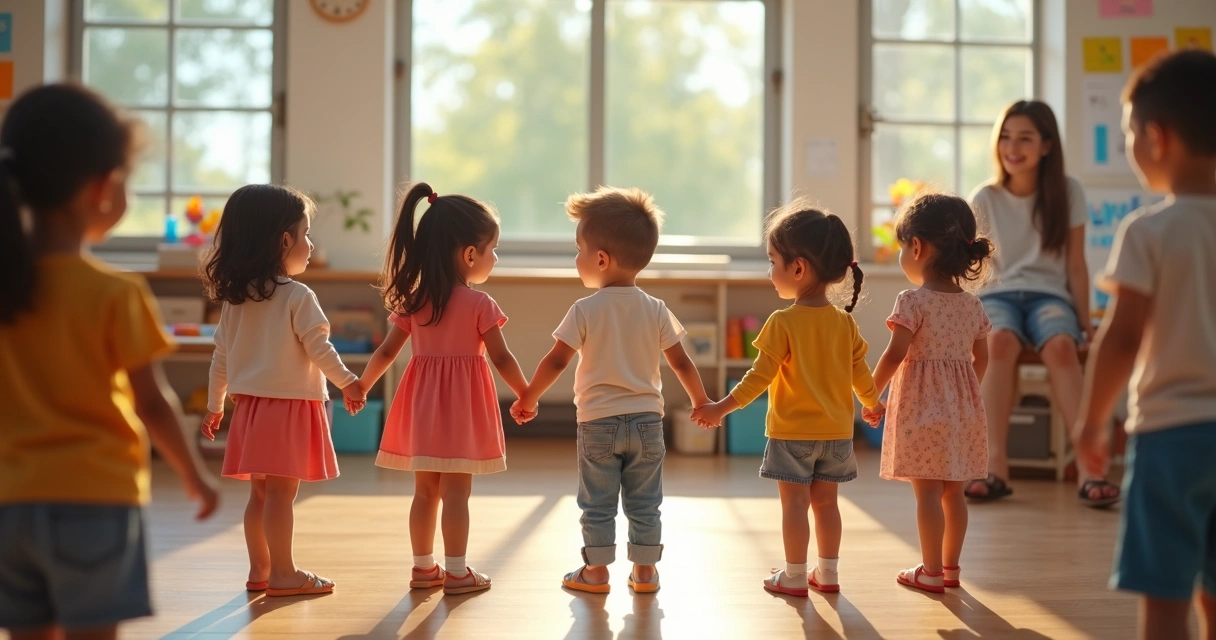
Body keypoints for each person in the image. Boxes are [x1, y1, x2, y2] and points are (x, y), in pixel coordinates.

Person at [0, 83, 219, 639]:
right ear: (102, 188)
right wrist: (193, 475)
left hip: (8, 504)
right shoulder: (113, 293)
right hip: (94, 501)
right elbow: (152, 402)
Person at [1076, 49, 1216, 640]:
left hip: (1170, 440)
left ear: (1155, 139)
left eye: (1130, 132)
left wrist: (1091, 422)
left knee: (1164, 599)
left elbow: (1122, 337)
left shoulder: (1150, 230)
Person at [511, 187, 712, 595]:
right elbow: (681, 362)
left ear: (600, 260)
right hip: (647, 425)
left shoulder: (585, 309)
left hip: (598, 424)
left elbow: (555, 361)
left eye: (578, 250)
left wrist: (529, 396)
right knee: (645, 502)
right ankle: (645, 573)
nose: (576, 259)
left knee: (597, 502)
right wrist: (701, 401)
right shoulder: (656, 308)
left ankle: (596, 573)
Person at [692, 202, 882, 597]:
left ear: (798, 269)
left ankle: (795, 575)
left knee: (795, 506)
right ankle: (827, 574)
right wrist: (872, 405)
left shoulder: (783, 322)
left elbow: (758, 378)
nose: (769, 271)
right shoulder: (845, 323)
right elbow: (860, 375)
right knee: (827, 505)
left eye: (772, 260)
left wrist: (719, 409)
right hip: (837, 434)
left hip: (792, 434)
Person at [358, 183, 529, 595]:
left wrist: (360, 387)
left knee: (424, 492)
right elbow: (502, 358)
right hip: (462, 411)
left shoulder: (414, 301)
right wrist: (527, 393)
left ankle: (423, 569)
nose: (495, 258)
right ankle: (456, 573)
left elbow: (385, 353)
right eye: (493, 249)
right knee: (457, 493)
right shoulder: (480, 304)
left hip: (421, 407)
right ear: (470, 254)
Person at [200, 184, 366, 597]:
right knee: (281, 495)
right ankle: (284, 574)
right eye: (306, 235)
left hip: (251, 408)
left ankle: (261, 570)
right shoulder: (297, 296)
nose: (311, 245)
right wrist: (349, 382)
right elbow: (320, 348)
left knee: (260, 494)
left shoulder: (234, 300)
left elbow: (221, 357)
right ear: (284, 240)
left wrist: (213, 406)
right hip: (289, 408)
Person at [966, 100, 1119, 507]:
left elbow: (1075, 263)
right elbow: (972, 268)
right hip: (998, 295)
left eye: (1025, 138)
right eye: (1005, 137)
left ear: (1047, 146)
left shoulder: (1068, 192)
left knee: (1061, 346)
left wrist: (1085, 322)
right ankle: (993, 466)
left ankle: (1089, 470)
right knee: (998, 343)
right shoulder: (984, 196)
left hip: (1051, 297)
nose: (1012, 147)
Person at [870, 193, 994, 593]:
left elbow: (895, 355)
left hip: (921, 410)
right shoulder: (972, 306)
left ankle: (930, 571)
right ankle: (952, 568)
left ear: (917, 247)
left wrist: (870, 393)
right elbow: (982, 358)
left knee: (926, 492)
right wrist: (962, 394)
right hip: (963, 411)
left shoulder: (912, 301)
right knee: (953, 491)